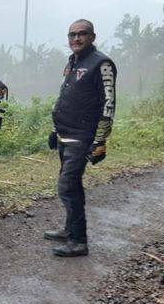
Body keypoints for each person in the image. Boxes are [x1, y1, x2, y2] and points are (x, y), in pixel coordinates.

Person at [46, 19, 116, 257]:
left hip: (82, 136)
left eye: (82, 34)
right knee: (72, 185)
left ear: (92, 37)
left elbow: (109, 105)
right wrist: (56, 130)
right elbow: (66, 95)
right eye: (72, 35)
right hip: (65, 133)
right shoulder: (73, 61)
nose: (76, 38)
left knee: (66, 185)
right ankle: (69, 230)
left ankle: (79, 241)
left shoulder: (102, 64)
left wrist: (99, 140)